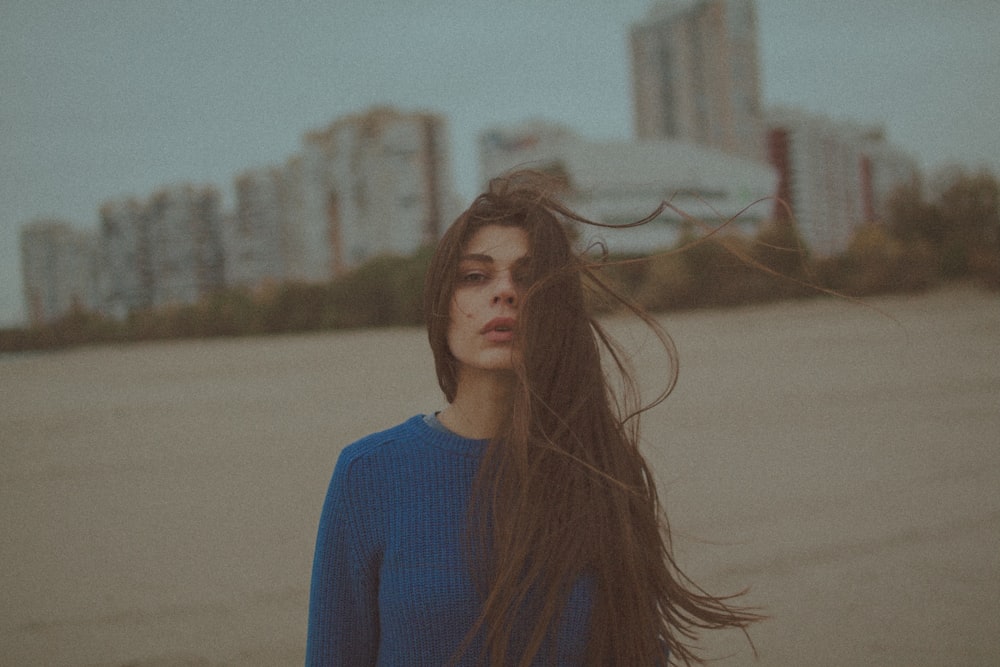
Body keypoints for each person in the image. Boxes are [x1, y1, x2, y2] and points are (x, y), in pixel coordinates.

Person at [306, 170, 761, 666]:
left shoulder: (604, 469)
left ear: (557, 307)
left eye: (528, 277)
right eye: (475, 276)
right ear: (442, 305)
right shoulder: (368, 474)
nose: (504, 292)